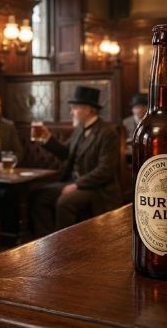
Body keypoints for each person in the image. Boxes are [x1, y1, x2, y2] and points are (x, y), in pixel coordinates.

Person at [29, 86, 121, 236]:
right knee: (37, 195)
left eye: (74, 108)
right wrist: (47, 139)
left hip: (97, 189)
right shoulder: (80, 129)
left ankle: (64, 245)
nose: (71, 112)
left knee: (65, 202)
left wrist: (77, 184)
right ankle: (46, 240)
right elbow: (66, 153)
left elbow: (105, 170)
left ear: (88, 109)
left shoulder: (107, 133)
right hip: (74, 183)